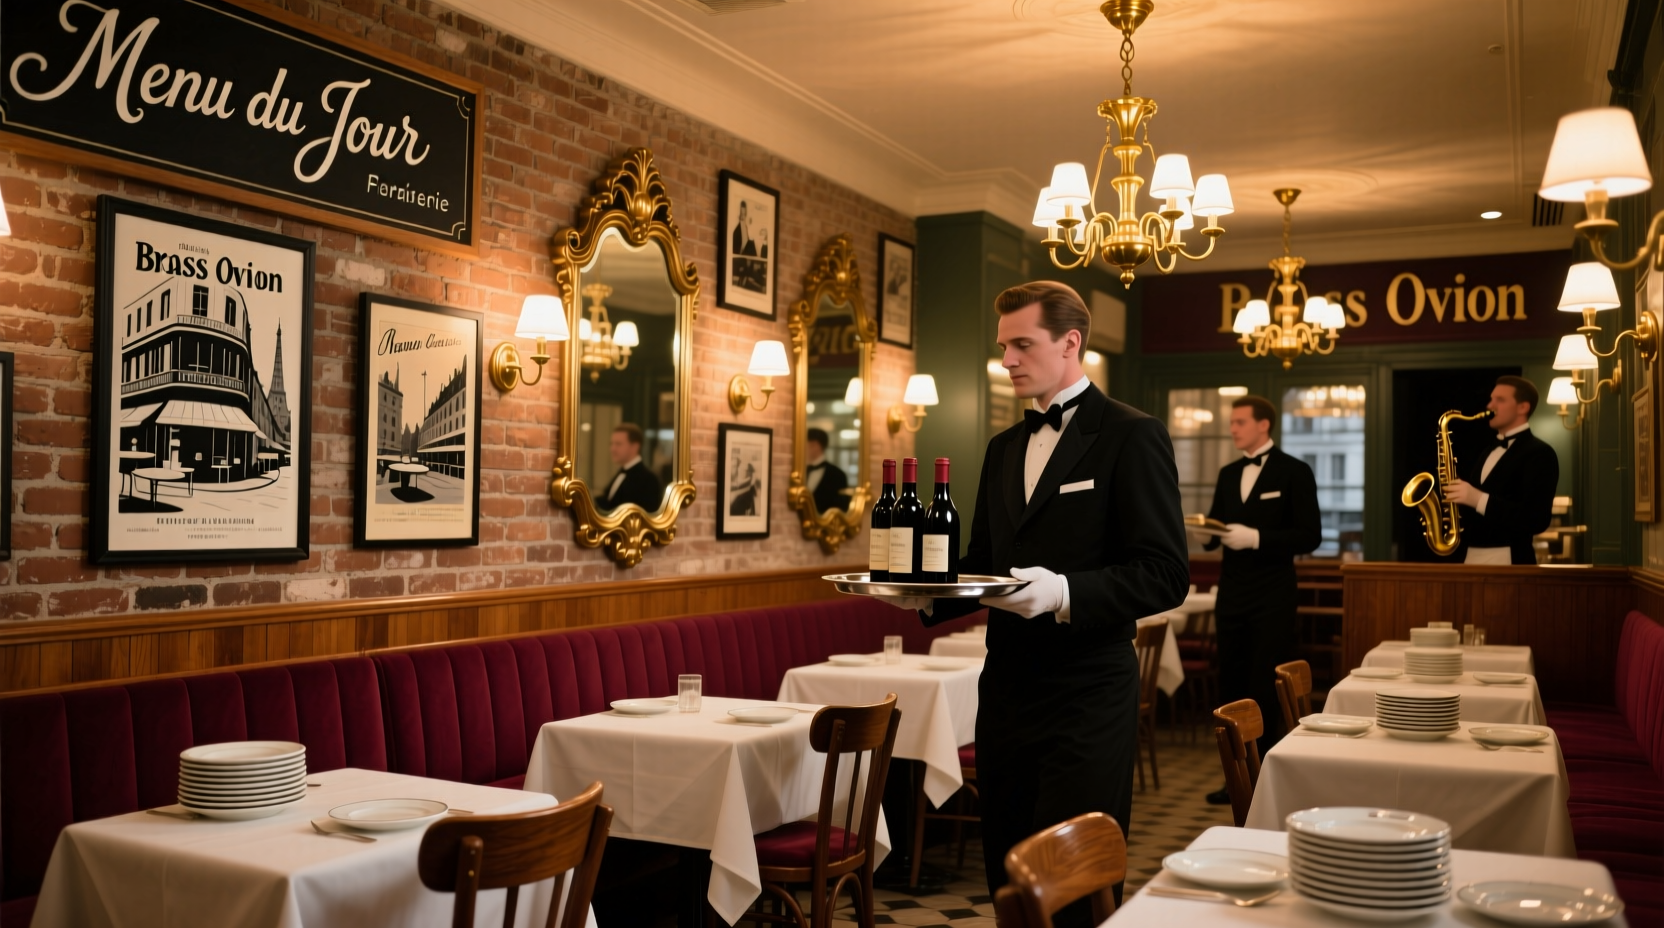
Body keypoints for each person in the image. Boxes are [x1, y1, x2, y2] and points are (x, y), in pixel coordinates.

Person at [878, 280, 1188, 914]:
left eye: (1023, 344)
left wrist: (1065, 592)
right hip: (1007, 691)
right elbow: (984, 567)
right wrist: (927, 597)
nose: (1008, 361)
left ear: (1070, 343)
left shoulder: (1133, 434)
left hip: (1088, 690)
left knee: (1071, 872)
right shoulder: (1002, 449)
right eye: (1003, 347)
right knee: (1009, 869)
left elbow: (1164, 574)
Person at [1195, 396, 1320, 804]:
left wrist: (1258, 538)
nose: (1232, 429)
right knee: (1230, 685)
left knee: (1263, 686)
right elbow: (1216, 527)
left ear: (1263, 426)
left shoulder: (1294, 472)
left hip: (1273, 594)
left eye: (1239, 422)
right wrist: (1204, 533)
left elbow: (1310, 536)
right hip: (1231, 592)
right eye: (1231, 423)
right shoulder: (1229, 473)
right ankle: (1235, 778)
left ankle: (1268, 778)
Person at [1443, 375, 1559, 565]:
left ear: (1523, 407)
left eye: (1500, 400)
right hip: (1471, 556)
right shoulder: (1487, 451)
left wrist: (1477, 498)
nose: (1490, 406)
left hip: (1510, 558)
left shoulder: (1541, 453)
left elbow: (1536, 519)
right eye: (1491, 399)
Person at [597, 423, 663, 512]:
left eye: (618, 444)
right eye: (611, 444)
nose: (613, 449)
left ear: (635, 447)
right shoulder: (622, 472)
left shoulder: (649, 480)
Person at [805, 427, 849, 512]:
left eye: (805, 445)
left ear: (815, 446)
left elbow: (840, 510)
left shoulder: (838, 475)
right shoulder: (800, 471)